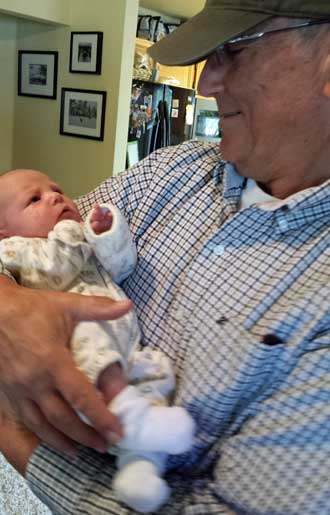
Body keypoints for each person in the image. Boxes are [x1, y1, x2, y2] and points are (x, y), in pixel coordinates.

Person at [1, 0, 330, 513]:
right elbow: (38, 245)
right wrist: (6, 306)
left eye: (234, 50)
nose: (205, 84)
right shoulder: (171, 172)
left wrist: (10, 433)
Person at [0, 169, 194, 513]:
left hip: (125, 345)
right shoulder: (16, 250)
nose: (55, 196)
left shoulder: (77, 239)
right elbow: (56, 268)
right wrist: (74, 232)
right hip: (76, 345)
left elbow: (121, 267)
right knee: (93, 344)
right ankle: (129, 417)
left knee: (156, 370)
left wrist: (106, 233)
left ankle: (139, 466)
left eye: (56, 187)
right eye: (35, 199)